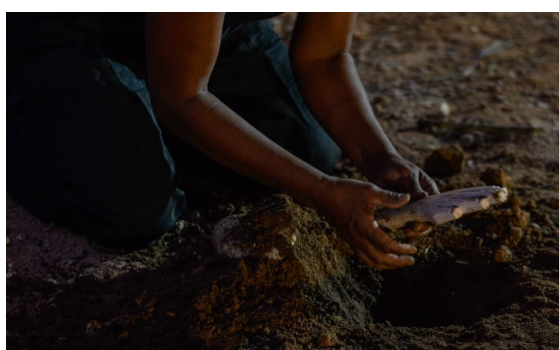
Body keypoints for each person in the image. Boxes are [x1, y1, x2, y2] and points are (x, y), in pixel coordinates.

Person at [7, 13, 439, 270]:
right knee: (134, 210)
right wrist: (321, 192)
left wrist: (380, 156)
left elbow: (323, 57)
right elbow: (183, 96)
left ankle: (132, 117)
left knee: (312, 148)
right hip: (80, 29)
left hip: (205, 30)